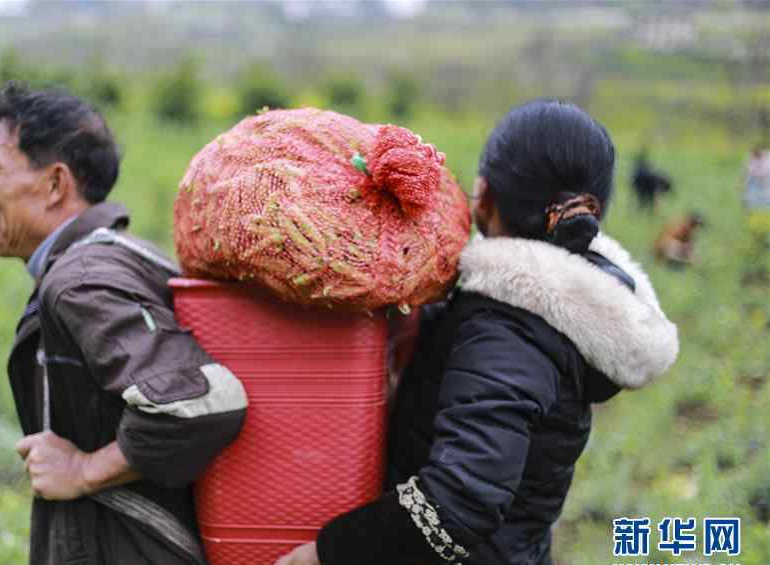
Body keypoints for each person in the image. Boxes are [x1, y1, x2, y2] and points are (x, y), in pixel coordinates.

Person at [276, 100, 679, 565]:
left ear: (483, 194)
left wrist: (326, 554)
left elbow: (458, 503)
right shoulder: (535, 312)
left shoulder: (508, 332)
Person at [0, 82, 247, 565]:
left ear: (56, 184)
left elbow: (200, 404)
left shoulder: (83, 280)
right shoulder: (113, 257)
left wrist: (84, 470)